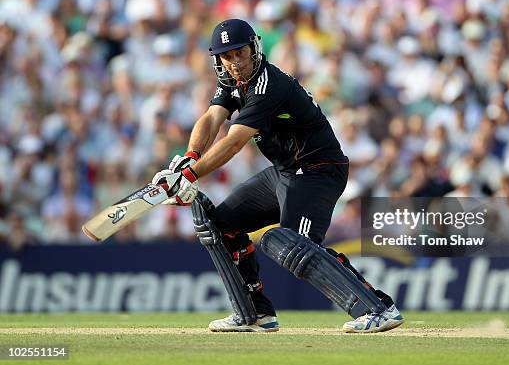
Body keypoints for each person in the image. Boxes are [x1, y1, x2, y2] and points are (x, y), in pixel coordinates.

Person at [152, 18, 404, 333]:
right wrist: (189, 158)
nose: (234, 63)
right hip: (285, 172)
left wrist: (189, 175)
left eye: (239, 53)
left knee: (291, 244)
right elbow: (212, 117)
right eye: (226, 57)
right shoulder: (232, 82)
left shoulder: (268, 84)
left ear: (254, 48)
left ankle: (377, 308)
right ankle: (254, 314)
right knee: (219, 224)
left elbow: (232, 143)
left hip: (317, 171)